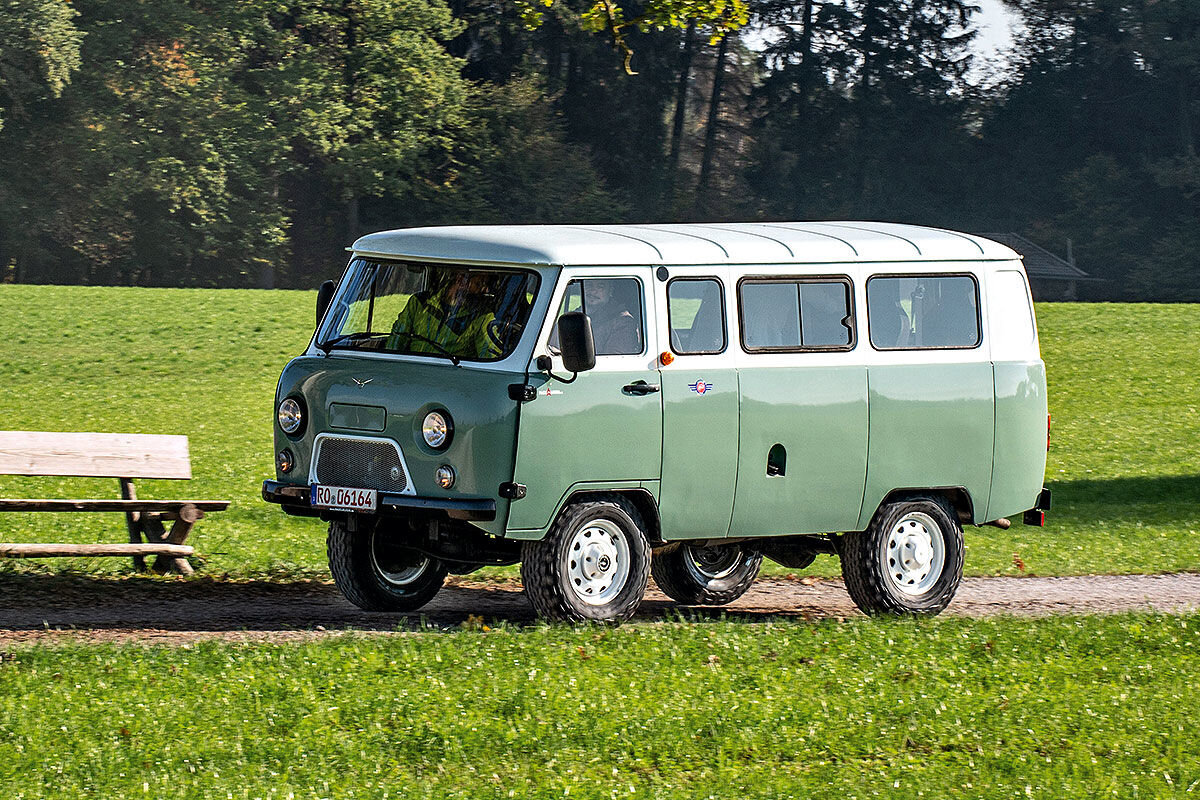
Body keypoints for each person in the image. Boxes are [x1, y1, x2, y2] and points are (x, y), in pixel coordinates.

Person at [387, 269, 499, 359]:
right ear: (461, 280)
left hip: (452, 377)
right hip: (412, 369)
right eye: (479, 283)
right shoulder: (419, 302)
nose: (485, 290)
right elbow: (397, 339)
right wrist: (389, 365)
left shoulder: (482, 317)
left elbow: (490, 356)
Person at [583, 279, 642, 355]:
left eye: (600, 286)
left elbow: (614, 360)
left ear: (610, 291)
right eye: (588, 285)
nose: (593, 291)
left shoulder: (623, 321)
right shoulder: (578, 314)